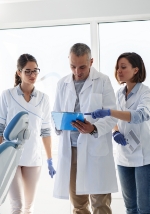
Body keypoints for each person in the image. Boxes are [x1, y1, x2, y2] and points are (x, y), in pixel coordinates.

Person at [53, 43, 118, 214]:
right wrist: (60, 123)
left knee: (100, 204)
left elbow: (112, 115)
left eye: (82, 66)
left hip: (95, 149)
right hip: (71, 150)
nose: (77, 71)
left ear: (91, 62)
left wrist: (93, 128)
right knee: (79, 205)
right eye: (73, 66)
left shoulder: (102, 81)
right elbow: (56, 114)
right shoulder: (62, 84)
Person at [90, 52, 150, 214]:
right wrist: (115, 131)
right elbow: (114, 120)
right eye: (118, 67)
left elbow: (140, 115)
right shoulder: (118, 93)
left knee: (144, 208)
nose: (119, 71)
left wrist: (109, 112)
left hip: (144, 157)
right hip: (123, 157)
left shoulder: (145, 92)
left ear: (136, 70)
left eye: (123, 67)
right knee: (130, 207)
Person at [0, 54, 56, 214]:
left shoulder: (43, 98)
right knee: (17, 206)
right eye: (28, 71)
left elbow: (45, 131)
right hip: (11, 155)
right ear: (19, 73)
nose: (32, 75)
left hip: (33, 157)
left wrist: (50, 159)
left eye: (35, 71)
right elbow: (0, 127)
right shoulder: (7, 95)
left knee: (28, 207)